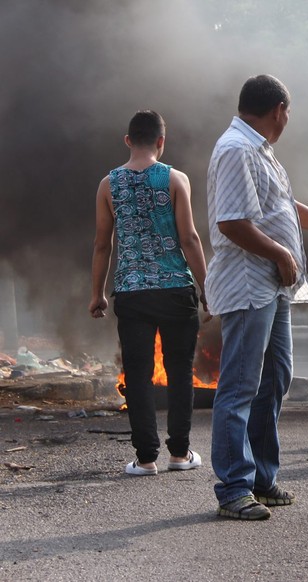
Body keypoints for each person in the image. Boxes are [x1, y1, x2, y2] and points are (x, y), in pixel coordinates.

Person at [206, 74, 308, 520]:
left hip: (270, 286)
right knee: (239, 386)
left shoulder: (260, 152)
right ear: (278, 110)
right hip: (248, 284)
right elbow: (231, 222)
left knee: (275, 377)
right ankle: (234, 489)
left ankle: (261, 480)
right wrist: (279, 253)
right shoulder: (236, 149)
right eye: (287, 113)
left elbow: (282, 207)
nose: (288, 120)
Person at [89, 110, 209, 477]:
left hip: (132, 291)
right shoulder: (175, 179)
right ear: (161, 141)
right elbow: (189, 238)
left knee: (138, 374)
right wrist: (208, 288)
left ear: (128, 140)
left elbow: (102, 245)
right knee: (178, 371)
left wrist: (97, 293)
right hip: (176, 290)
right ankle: (180, 454)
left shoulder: (108, 185)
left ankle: (145, 459)